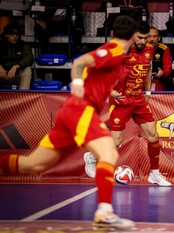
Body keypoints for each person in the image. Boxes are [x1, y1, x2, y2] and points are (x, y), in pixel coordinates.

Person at [0, 15, 137, 228]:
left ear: (111, 33)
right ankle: (104, 212)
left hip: (70, 113)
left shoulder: (116, 56)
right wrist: (79, 82)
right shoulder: (114, 50)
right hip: (80, 110)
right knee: (109, 153)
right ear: (135, 36)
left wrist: (105, 89)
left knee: (33, 165)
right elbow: (81, 61)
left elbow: (96, 74)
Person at [84, 21, 172, 187]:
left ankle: (154, 174)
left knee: (153, 136)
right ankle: (91, 157)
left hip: (138, 99)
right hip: (121, 100)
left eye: (146, 38)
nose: (143, 42)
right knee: (116, 141)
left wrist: (147, 92)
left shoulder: (149, 50)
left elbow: (147, 70)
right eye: (140, 38)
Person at [0, 24, 34, 89]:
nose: (15, 37)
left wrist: (16, 66)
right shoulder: (1, 44)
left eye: (17, 35)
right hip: (2, 74)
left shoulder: (24, 45)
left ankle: (23, 97)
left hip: (16, 74)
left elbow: (29, 58)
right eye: (12, 35)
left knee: (27, 70)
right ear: (6, 35)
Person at [148, 26, 174, 91]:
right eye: (149, 36)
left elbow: (168, 67)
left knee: (170, 79)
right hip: (143, 74)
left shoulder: (164, 49)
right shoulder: (141, 48)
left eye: (154, 36)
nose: (152, 39)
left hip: (159, 75)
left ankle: (168, 99)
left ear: (159, 38)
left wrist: (163, 73)